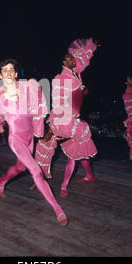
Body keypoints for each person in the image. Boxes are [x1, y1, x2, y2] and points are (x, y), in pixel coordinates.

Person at [0, 58, 68, 226]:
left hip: (29, 138)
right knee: (36, 171)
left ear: (16, 74)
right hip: (15, 139)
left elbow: (39, 109)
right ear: (1, 75)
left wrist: (39, 129)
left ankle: (1, 181)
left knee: (20, 167)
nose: (9, 71)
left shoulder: (28, 88)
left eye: (11, 69)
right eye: (5, 70)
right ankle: (58, 210)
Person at [34, 38, 98, 197]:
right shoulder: (60, 79)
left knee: (80, 152)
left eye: (74, 58)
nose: (74, 60)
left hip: (74, 118)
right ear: (64, 62)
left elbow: (84, 59)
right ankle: (62, 186)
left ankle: (89, 175)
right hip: (68, 121)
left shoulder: (76, 73)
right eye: (70, 58)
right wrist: (55, 124)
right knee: (76, 152)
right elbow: (59, 103)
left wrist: (92, 46)